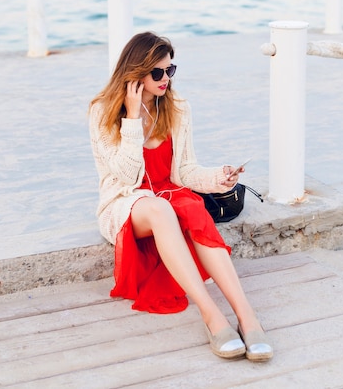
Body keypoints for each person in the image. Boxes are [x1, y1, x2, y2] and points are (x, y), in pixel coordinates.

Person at [89, 31, 273, 361]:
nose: (165, 79)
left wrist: (219, 177)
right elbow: (128, 176)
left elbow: (185, 171)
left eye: (170, 70)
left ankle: (247, 317)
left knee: (194, 209)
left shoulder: (178, 108)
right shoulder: (103, 111)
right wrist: (132, 117)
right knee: (161, 209)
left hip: (170, 194)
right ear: (135, 74)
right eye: (157, 72)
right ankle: (212, 316)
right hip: (126, 202)